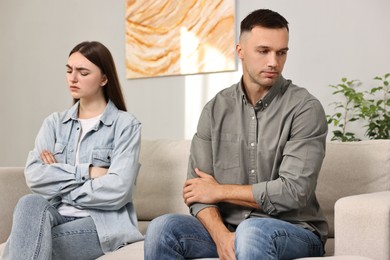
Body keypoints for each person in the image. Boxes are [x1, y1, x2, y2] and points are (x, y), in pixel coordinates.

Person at [144, 9, 328, 260]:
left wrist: (219, 191)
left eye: (281, 52)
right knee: (162, 228)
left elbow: (294, 192)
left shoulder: (305, 108)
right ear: (240, 51)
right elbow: (197, 193)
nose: (274, 61)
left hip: (294, 231)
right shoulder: (214, 110)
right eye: (263, 51)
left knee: (252, 231)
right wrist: (221, 236)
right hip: (230, 228)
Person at [1, 41, 143, 260]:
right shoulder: (54, 123)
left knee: (23, 245)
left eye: (83, 72)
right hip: (56, 213)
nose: (73, 78)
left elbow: (119, 190)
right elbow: (34, 176)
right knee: (29, 202)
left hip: (101, 224)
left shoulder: (125, 125)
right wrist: (89, 173)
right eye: (69, 70)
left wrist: (59, 179)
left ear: (104, 79)